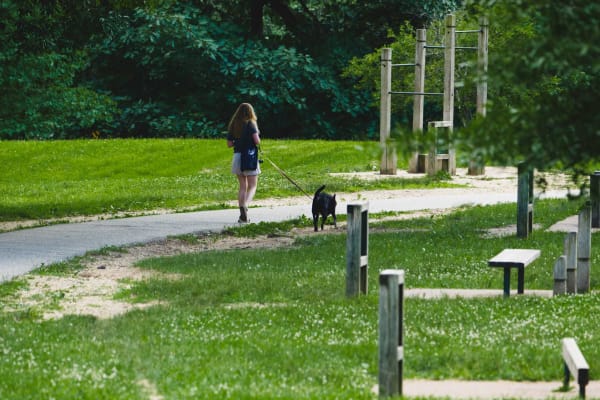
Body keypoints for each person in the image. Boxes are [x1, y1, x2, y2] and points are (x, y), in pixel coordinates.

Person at [227, 103, 261, 223]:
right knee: (252, 185)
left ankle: (242, 215)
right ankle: (245, 205)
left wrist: (238, 142)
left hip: (237, 157)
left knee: (242, 186)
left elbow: (229, 144)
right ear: (251, 112)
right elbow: (257, 141)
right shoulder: (251, 123)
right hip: (249, 157)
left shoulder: (234, 124)